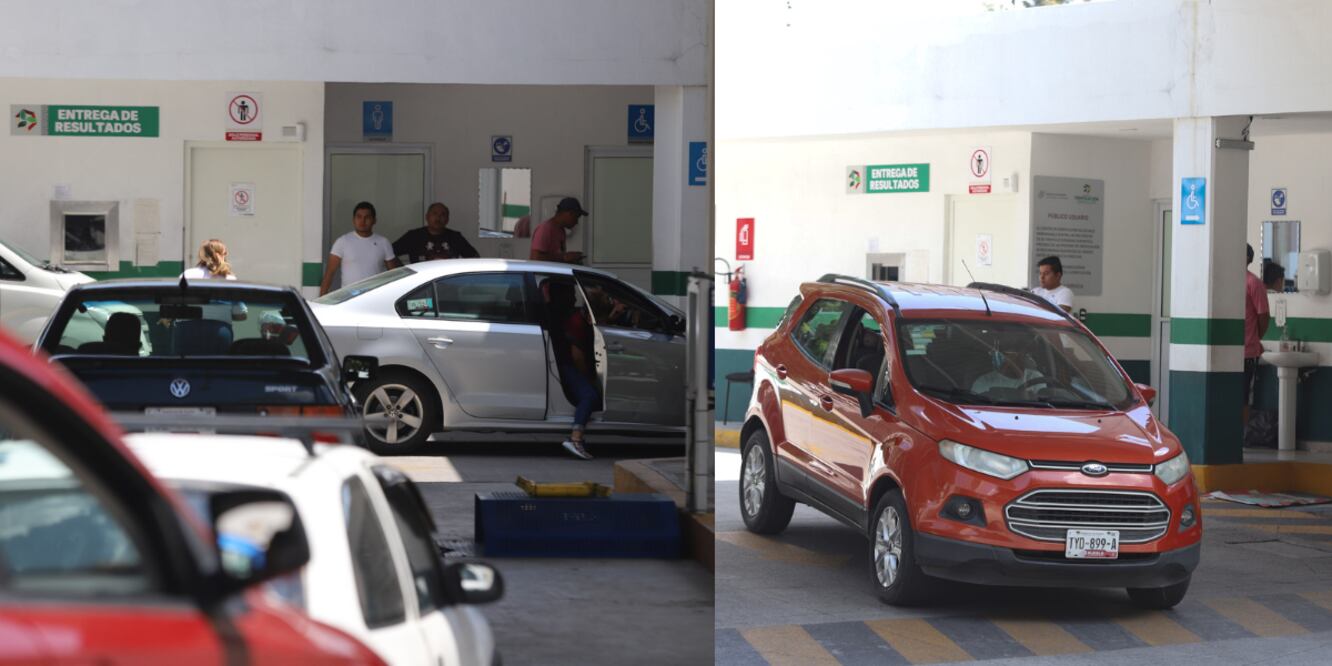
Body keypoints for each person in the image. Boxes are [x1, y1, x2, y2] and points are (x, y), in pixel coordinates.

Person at [545, 280, 600, 459]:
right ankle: (576, 438)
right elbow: (577, 356)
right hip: (565, 365)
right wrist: (590, 380)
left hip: (563, 362)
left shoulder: (576, 316)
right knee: (589, 396)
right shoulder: (575, 320)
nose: (574, 297)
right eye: (570, 293)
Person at [320, 202, 400, 296]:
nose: (362, 221)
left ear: (374, 220)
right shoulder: (342, 242)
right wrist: (321, 300)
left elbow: (394, 274)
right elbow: (329, 274)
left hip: (376, 297)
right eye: (359, 217)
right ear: (353, 220)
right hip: (349, 298)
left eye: (367, 217)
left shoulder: (383, 242)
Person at [392, 203, 479, 264]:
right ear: (427, 217)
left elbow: (475, 259)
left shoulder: (455, 237)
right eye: (434, 214)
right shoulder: (413, 236)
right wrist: (402, 270)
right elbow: (389, 253)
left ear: (447, 219)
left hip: (449, 282)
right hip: (421, 283)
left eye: (443, 215)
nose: (438, 218)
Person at [1244, 244, 1271, 427]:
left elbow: (1263, 316)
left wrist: (1255, 338)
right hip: (1228, 351)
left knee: (1243, 397)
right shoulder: (1226, 281)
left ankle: (1240, 438)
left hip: (1247, 352)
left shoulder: (1253, 283)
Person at [530, 197, 587, 264]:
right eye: (576, 217)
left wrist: (571, 259)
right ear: (569, 213)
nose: (576, 222)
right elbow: (535, 258)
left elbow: (559, 257)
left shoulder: (561, 231)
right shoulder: (545, 229)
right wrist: (564, 257)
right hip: (542, 274)